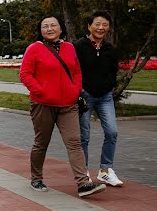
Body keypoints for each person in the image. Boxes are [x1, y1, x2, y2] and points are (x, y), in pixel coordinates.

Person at [19, 16, 106, 197]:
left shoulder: (69, 47)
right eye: (45, 26)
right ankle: (36, 178)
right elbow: (25, 74)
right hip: (43, 104)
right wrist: (40, 91)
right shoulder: (34, 49)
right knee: (41, 143)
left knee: (75, 143)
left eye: (53, 25)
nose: (49, 28)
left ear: (60, 28)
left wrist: (75, 91)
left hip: (68, 105)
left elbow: (76, 71)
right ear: (40, 30)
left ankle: (83, 184)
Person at [74, 11, 122, 187]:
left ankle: (105, 171)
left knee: (112, 132)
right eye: (97, 24)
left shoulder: (110, 49)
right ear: (89, 26)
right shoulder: (78, 46)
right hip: (84, 96)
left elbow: (113, 71)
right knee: (84, 136)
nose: (101, 28)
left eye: (105, 25)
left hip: (105, 97)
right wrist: (79, 89)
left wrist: (110, 85)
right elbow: (72, 70)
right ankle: (83, 173)